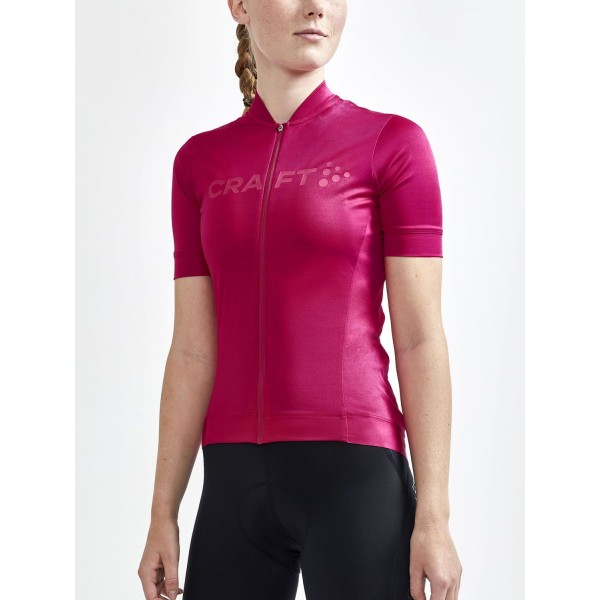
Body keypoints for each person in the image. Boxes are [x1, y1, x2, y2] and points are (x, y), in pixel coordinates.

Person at [138, 1, 462, 599]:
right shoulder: (199, 163)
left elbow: (420, 339)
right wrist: (163, 511)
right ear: (239, 5)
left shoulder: (392, 145)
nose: (316, 7)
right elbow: (191, 350)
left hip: (355, 477)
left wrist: (434, 516)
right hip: (232, 479)